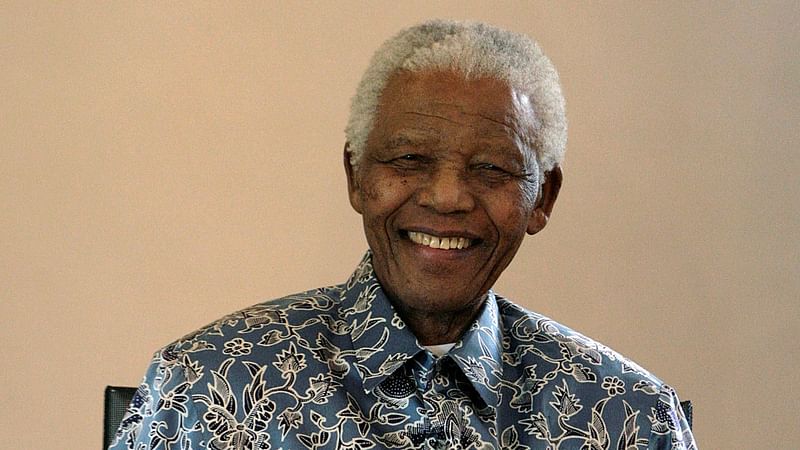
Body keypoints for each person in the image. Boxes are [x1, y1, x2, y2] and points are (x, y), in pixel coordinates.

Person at [109, 20, 697, 450]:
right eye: (410, 157)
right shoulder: (206, 389)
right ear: (356, 177)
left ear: (541, 198)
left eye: (491, 168)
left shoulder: (629, 419)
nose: (447, 196)